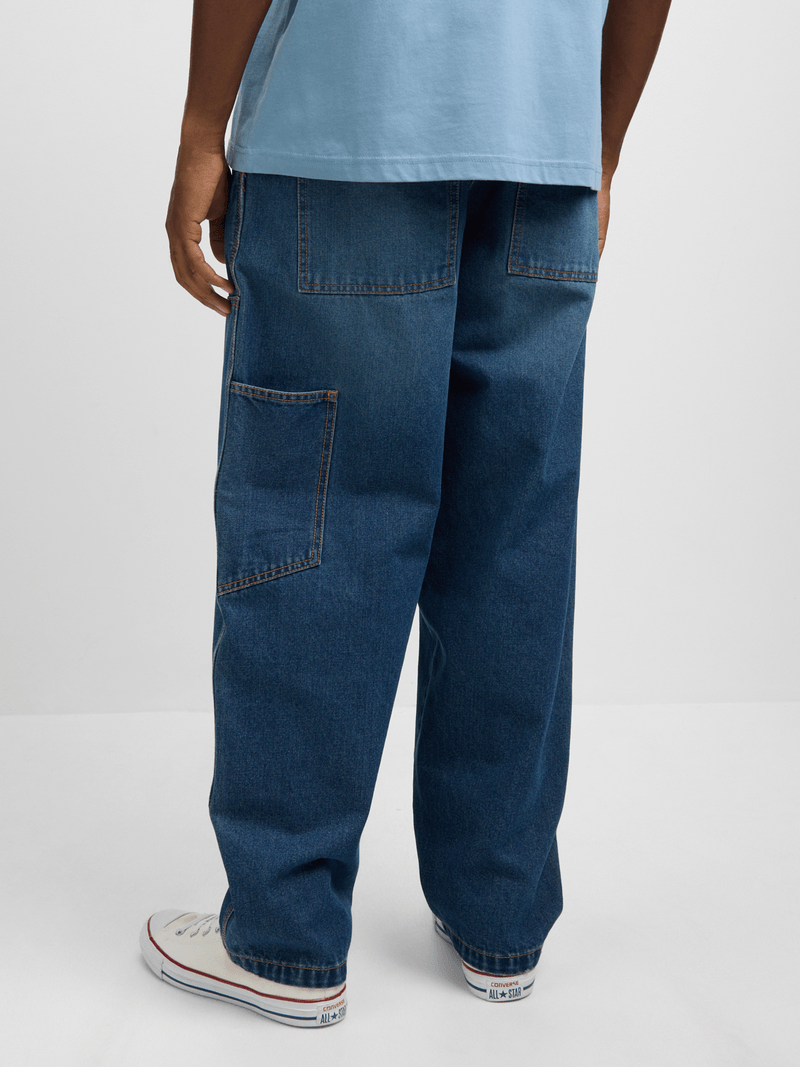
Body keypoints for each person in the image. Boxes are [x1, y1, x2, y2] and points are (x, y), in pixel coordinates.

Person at [142, 0, 673, 1029]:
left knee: (318, 528)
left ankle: (283, 938)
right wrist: (597, 146)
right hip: (546, 147)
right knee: (512, 540)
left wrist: (203, 131)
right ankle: (498, 920)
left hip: (349, 126)